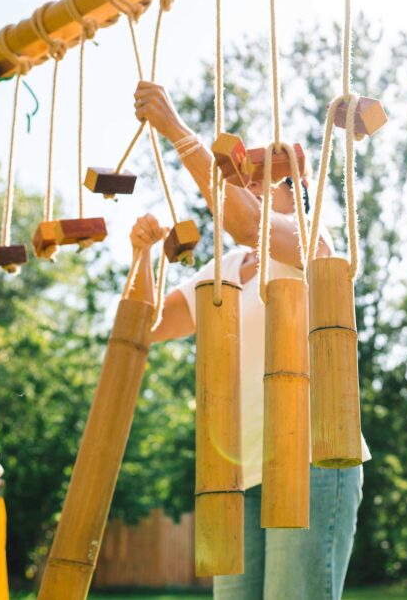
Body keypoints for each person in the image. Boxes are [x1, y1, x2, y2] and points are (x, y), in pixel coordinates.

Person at [128, 81, 369, 600]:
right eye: (249, 172)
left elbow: (243, 222)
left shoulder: (312, 244)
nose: (256, 182)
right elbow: (144, 330)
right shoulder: (228, 270)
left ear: (297, 184)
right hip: (238, 474)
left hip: (310, 460)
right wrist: (142, 258)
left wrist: (175, 129)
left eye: (271, 173)